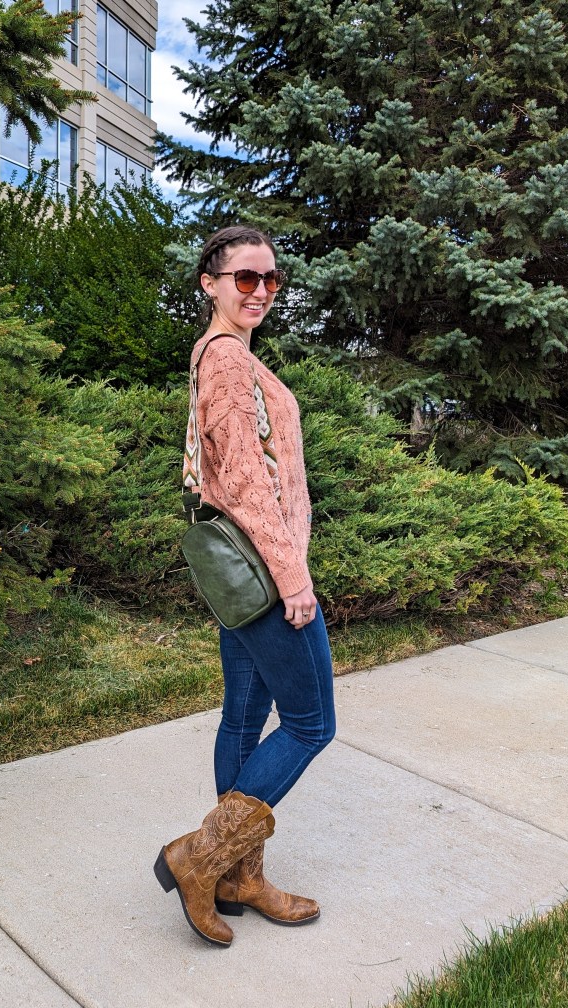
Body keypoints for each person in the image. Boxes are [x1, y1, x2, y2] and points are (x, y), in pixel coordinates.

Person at [154, 226, 336, 947]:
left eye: (270, 279)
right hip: (266, 576)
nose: (259, 291)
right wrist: (294, 579)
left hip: (244, 576)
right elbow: (248, 486)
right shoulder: (228, 360)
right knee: (309, 724)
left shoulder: (220, 356)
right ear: (209, 283)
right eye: (243, 278)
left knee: (241, 717)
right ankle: (201, 859)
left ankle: (237, 878)